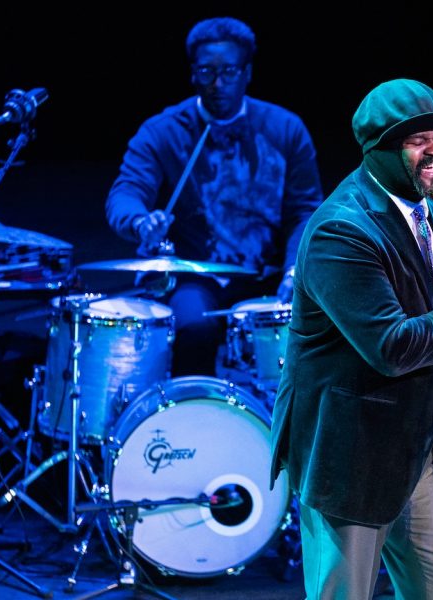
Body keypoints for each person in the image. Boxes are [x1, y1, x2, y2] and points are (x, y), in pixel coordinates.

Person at [268, 79, 433, 599]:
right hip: (351, 451)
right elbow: (392, 347)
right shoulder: (340, 231)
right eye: (418, 140)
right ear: (380, 152)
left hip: (421, 443)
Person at [105, 17, 323, 376]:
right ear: (193, 73)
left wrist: (294, 270)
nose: (218, 84)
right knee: (194, 326)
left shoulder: (285, 129)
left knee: (318, 321)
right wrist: (140, 222)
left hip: (266, 273)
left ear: (247, 72)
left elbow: (305, 211)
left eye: (229, 72)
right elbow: (125, 193)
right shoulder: (163, 132)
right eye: (207, 72)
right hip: (194, 275)